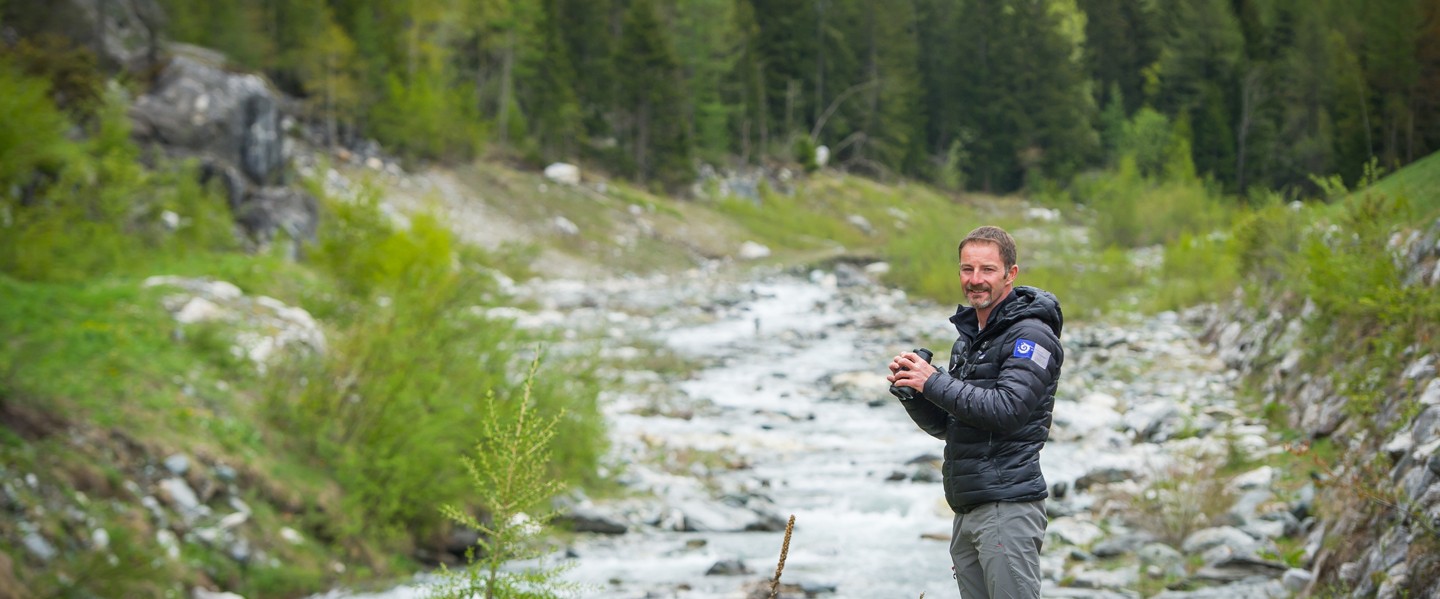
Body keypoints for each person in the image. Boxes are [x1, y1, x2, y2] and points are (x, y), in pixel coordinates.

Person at [886, 225, 1064, 599]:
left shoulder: (1031, 336)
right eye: (968, 269)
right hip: (968, 506)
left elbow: (1007, 410)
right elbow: (950, 426)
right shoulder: (970, 340)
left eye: (987, 270)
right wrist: (912, 391)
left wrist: (932, 380)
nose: (975, 280)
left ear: (1010, 274)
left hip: (1007, 507)